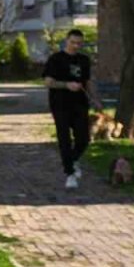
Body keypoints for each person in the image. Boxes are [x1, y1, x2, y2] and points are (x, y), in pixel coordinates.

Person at [43, 28, 99, 190]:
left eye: (79, 43)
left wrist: (95, 99)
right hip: (60, 104)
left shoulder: (84, 60)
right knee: (64, 139)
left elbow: (88, 82)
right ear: (66, 41)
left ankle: (73, 160)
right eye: (73, 42)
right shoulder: (56, 59)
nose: (76, 46)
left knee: (84, 139)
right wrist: (66, 85)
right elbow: (48, 82)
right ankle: (70, 174)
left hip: (80, 104)